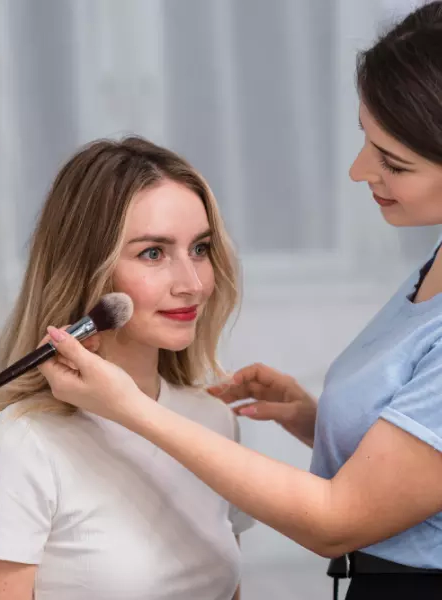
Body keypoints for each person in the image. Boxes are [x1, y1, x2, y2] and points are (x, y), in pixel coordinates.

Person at [38, 3, 442, 599]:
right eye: (152, 253)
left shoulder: (202, 421)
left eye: (393, 161)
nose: (360, 171)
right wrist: (320, 418)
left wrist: (135, 411)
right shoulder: (23, 446)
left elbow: (339, 521)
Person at [0, 136, 254, 600]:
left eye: (200, 248)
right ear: (86, 268)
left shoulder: (214, 420)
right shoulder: (21, 446)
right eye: (153, 253)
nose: (193, 284)